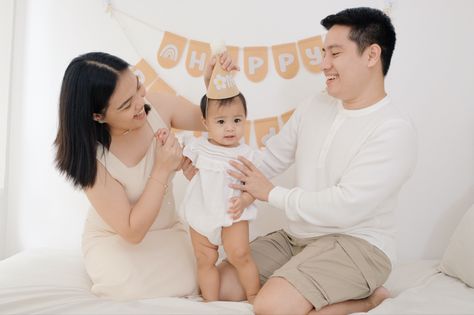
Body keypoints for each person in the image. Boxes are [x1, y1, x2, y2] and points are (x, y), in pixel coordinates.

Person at [220, 7, 417, 315]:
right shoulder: (315, 104)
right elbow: (267, 161)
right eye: (324, 53)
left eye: (335, 53)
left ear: (371, 55)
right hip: (299, 238)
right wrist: (212, 161)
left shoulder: (393, 130)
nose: (324, 64)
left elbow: (345, 205)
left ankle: (370, 299)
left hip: (358, 245)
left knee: (270, 306)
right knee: (223, 286)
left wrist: (271, 193)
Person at [54, 51, 238, 300]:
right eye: (126, 105)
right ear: (98, 116)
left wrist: (212, 85)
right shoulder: (91, 159)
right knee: (130, 290)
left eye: (138, 88)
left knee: (199, 281)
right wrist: (162, 169)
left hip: (167, 231)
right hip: (117, 240)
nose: (141, 104)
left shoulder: (157, 107)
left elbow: (212, 122)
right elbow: (132, 232)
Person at [179, 60, 261, 303]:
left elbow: (254, 186)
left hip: (233, 211)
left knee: (240, 254)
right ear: (205, 123)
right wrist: (185, 168)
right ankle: (210, 302)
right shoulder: (198, 147)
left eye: (237, 120)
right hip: (202, 209)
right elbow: (183, 165)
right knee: (205, 259)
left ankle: (254, 295)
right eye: (221, 122)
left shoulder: (246, 154)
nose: (230, 128)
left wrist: (245, 200)